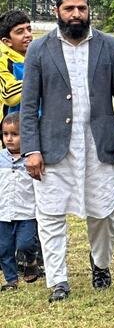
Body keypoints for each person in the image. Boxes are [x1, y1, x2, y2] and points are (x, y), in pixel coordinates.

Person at [20, 0, 114, 302]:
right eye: (69, 8)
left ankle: (100, 265)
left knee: (103, 211)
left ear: (88, 10)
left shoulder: (108, 45)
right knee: (50, 214)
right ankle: (58, 280)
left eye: (81, 8)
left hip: (100, 145)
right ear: (57, 11)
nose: (76, 14)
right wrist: (31, 149)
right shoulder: (39, 49)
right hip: (54, 148)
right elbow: (28, 106)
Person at [1, 114, 37, 291]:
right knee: (4, 248)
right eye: (5, 134)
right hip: (3, 213)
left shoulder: (32, 160)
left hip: (26, 212)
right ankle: (11, 280)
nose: (9, 138)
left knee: (26, 244)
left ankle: (30, 261)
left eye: (14, 134)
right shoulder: (1, 158)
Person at [1, 10, 32, 117]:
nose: (28, 35)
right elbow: (9, 96)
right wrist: (36, 78)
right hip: (11, 123)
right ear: (7, 41)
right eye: (20, 32)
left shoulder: (37, 55)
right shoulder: (3, 62)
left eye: (29, 29)